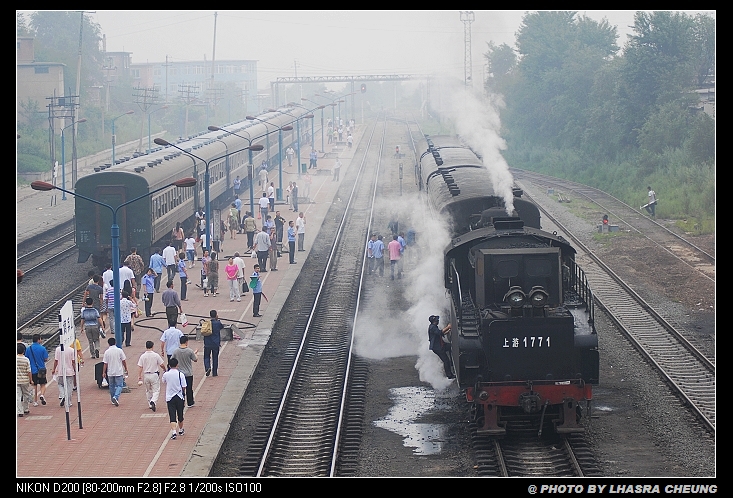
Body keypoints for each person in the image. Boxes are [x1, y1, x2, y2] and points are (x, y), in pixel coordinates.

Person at [137, 340, 167, 412]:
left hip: (146, 375)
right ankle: (153, 401)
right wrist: (164, 369)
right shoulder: (155, 355)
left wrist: (139, 375)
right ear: (152, 346)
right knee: (156, 390)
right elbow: (161, 364)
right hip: (154, 374)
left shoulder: (143, 356)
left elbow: (140, 366)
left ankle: (150, 403)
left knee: (148, 390)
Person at [162, 357, 186, 440]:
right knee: (180, 414)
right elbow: (184, 386)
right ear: (177, 365)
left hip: (170, 397)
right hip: (179, 396)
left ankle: (173, 432)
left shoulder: (166, 374)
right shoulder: (181, 374)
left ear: (169, 365)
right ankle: (181, 429)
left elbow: (163, 381)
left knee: (172, 415)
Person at [171, 336, 198, 407]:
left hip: (179, 373)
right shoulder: (189, 351)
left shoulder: (176, 351)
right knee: (189, 388)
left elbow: (172, 360)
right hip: (188, 373)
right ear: (186, 342)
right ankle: (190, 402)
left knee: (180, 389)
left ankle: (181, 402)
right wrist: (195, 354)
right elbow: (195, 359)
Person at [102, 337, 128, 406]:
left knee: (111, 386)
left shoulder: (107, 352)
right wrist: (126, 368)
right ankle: (116, 396)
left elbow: (105, 363)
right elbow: (123, 360)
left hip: (110, 371)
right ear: (115, 342)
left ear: (108, 344)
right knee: (120, 385)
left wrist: (103, 372)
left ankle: (113, 399)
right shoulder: (119, 351)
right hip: (118, 371)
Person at [26, 333, 48, 406]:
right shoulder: (42, 348)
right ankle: (41, 395)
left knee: (34, 385)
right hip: (41, 369)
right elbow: (46, 359)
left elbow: (27, 358)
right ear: (38, 340)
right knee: (43, 384)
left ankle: (35, 401)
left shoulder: (29, 349)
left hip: (32, 370)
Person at [204, 310, 223, 377]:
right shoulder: (218, 323)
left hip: (207, 343)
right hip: (215, 343)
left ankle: (207, 367)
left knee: (206, 356)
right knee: (215, 357)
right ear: (216, 315)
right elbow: (222, 327)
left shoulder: (206, 323)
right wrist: (217, 320)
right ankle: (214, 372)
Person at [17, 343, 33, 417]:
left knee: (18, 396)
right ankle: (26, 409)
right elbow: (29, 371)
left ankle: (19, 411)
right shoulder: (26, 359)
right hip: (25, 380)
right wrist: (31, 380)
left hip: (17, 380)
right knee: (26, 394)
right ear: (24, 351)